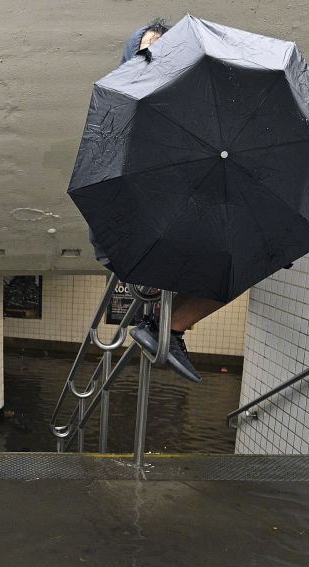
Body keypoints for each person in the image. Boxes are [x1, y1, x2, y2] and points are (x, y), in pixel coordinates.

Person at [110, 19, 227, 383]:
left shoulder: (189, 109)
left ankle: (166, 325)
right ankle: (167, 325)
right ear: (134, 59)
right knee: (229, 263)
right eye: (148, 51)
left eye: (166, 50)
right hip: (137, 229)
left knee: (243, 260)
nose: (158, 58)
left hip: (178, 219)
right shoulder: (123, 109)